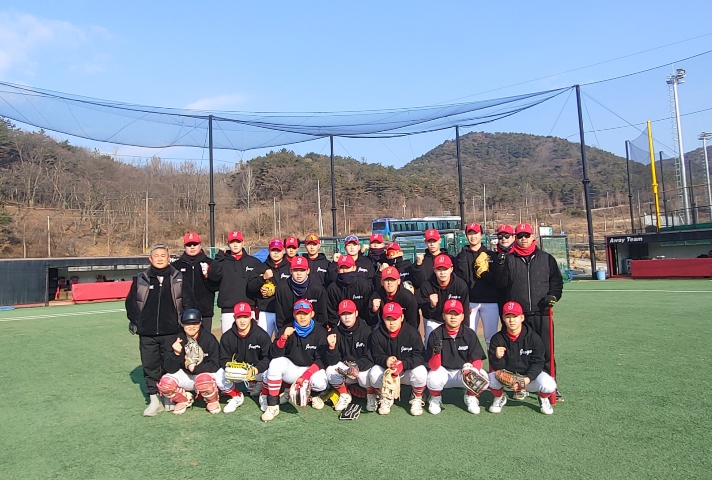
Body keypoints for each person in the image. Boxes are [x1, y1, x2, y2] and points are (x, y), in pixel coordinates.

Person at [125, 243, 196, 417]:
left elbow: (189, 302)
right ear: (150, 259)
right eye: (156, 256)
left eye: (163, 256)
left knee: (170, 365)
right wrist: (139, 322)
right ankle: (154, 400)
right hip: (147, 333)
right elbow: (131, 303)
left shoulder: (178, 278)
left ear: (168, 258)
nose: (159, 259)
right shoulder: (141, 279)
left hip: (172, 332)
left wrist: (183, 326)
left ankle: (168, 396)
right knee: (150, 366)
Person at [496, 223, 563, 398]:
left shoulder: (546, 258)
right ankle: (520, 385)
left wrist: (553, 295)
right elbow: (501, 285)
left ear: (533, 237)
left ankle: (550, 386)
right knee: (518, 353)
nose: (523, 239)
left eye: (526, 235)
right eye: (520, 236)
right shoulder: (509, 259)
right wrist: (500, 265)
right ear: (515, 238)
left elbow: (556, 282)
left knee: (546, 351)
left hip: (542, 312)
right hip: (519, 316)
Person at [261, 300, 329, 422]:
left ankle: (313, 396)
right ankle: (273, 405)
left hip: (310, 370)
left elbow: (321, 360)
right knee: (275, 364)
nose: (302, 317)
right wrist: (283, 338)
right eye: (299, 313)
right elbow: (274, 354)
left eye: (305, 313)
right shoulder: (287, 328)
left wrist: (305, 376)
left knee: (320, 383)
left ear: (312, 314)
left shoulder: (321, 331)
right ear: (294, 314)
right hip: (292, 369)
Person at [487, 301, 556, 415]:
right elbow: (496, 366)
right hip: (509, 380)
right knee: (489, 379)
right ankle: (499, 398)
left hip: (529, 379)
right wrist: (497, 357)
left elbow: (538, 362)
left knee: (549, 385)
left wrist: (527, 379)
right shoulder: (497, 339)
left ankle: (543, 398)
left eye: (515, 316)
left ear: (522, 318)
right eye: (508, 317)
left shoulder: (534, 338)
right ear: (503, 318)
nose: (511, 320)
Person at [425, 299, 487, 415]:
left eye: (456, 314)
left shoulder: (469, 333)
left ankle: (470, 396)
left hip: (462, 373)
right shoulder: (435, 334)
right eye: (449, 314)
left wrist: (471, 371)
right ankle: (435, 398)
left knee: (483, 377)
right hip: (444, 372)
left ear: (462, 316)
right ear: (443, 316)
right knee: (431, 378)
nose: (453, 317)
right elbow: (433, 366)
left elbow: (477, 359)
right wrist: (437, 353)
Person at [157, 309, 222, 415]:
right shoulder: (177, 339)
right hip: (186, 375)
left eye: (195, 323)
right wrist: (176, 353)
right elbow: (169, 369)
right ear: (182, 324)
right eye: (187, 324)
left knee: (204, 380)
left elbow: (215, 364)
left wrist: (196, 369)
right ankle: (184, 399)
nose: (191, 326)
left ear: (200, 323)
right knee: (165, 383)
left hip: (203, 376)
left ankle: (212, 400)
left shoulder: (209, 339)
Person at [368, 302, 427, 415]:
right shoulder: (376, 334)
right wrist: (385, 360)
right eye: (388, 319)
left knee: (421, 372)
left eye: (395, 319)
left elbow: (421, 356)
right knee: (374, 374)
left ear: (402, 317)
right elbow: (375, 355)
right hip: (388, 371)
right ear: (383, 318)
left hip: (406, 371)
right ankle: (385, 397)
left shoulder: (412, 333)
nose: (391, 323)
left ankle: (417, 397)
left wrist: (404, 364)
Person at [218, 302, 272, 413]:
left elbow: (268, 358)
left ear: (251, 316)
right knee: (219, 375)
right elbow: (223, 359)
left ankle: (264, 395)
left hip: (256, 371)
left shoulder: (261, 335)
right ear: (234, 317)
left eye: (245, 317)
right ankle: (236, 396)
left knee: (272, 370)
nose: (242, 321)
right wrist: (232, 368)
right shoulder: (227, 337)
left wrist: (256, 369)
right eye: (239, 317)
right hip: (237, 372)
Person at [208, 230, 265, 333]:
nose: (235, 245)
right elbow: (213, 277)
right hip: (228, 310)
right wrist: (218, 257)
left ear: (243, 243)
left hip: (249, 309)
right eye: (232, 242)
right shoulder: (222, 261)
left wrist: (258, 306)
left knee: (250, 340)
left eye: (238, 242)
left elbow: (258, 285)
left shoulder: (253, 262)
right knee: (228, 341)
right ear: (228, 244)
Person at [324, 299, 374, 411]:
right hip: (346, 371)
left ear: (356, 313)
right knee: (330, 371)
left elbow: (370, 357)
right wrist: (331, 348)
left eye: (350, 313)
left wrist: (356, 366)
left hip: (362, 369)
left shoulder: (367, 331)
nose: (347, 317)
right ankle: (345, 394)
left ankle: (371, 394)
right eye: (343, 314)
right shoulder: (335, 332)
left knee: (367, 376)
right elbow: (332, 361)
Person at [456, 222, 499, 346]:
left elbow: (496, 279)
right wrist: (463, 301)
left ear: (481, 235)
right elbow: (460, 279)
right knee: (469, 339)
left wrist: (485, 274)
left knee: (491, 339)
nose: (473, 236)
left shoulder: (490, 255)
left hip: (490, 301)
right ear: (466, 236)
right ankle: (472, 360)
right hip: (471, 302)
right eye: (470, 233)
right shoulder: (461, 256)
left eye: (476, 233)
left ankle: (492, 360)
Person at [418, 254, 469, 344]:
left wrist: (465, 330)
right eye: (439, 269)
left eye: (445, 269)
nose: (442, 273)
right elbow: (426, 315)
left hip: (453, 322)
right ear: (434, 270)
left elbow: (465, 311)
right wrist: (432, 305)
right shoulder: (426, 286)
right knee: (430, 344)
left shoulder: (461, 285)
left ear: (451, 269)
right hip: (434, 320)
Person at [173, 232, 218, 333]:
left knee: (205, 341)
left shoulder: (210, 263)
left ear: (200, 245)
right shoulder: (176, 266)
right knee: (184, 341)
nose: (192, 247)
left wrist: (208, 276)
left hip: (204, 312)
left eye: (195, 244)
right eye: (189, 245)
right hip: (183, 312)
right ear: (185, 246)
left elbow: (215, 287)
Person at [249, 238, 292, 338]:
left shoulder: (289, 267)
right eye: (273, 250)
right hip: (265, 311)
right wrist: (262, 278)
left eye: (278, 250)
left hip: (284, 311)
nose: (276, 253)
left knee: (284, 340)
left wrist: (275, 290)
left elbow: (293, 287)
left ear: (283, 250)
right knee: (262, 339)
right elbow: (251, 287)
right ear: (269, 250)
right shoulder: (261, 267)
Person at [275, 256, 328, 329]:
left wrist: (317, 332)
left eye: (302, 270)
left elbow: (322, 315)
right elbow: (280, 317)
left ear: (308, 271)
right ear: (290, 271)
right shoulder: (281, 289)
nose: (299, 273)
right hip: (289, 329)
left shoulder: (318, 289)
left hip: (313, 330)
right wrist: (284, 331)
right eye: (295, 270)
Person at [326, 254, 373, 328]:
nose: (345, 271)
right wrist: (336, 328)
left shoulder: (364, 286)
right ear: (338, 269)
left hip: (362, 326)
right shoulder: (333, 288)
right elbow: (332, 312)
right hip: (341, 326)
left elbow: (368, 311)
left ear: (354, 268)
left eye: (347, 267)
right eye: (342, 268)